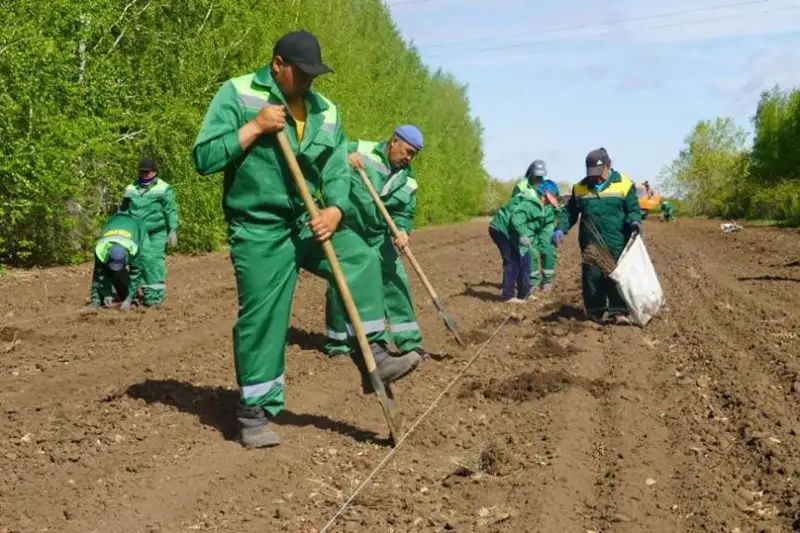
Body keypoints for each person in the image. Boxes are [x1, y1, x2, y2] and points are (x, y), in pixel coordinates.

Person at [191, 30, 421, 448]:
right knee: (264, 316)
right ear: (277, 64)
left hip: (307, 219)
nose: (310, 82)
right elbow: (204, 157)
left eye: (315, 74)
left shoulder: (325, 110)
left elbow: (336, 166)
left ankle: (374, 355)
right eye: (303, 74)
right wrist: (254, 128)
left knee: (362, 258)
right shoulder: (240, 94)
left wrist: (335, 209)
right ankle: (253, 412)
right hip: (258, 226)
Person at [324, 125, 430, 360]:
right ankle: (338, 342)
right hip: (348, 228)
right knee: (343, 279)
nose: (409, 158)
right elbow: (330, 153)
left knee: (396, 279)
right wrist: (345, 156)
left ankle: (409, 343)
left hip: (377, 234)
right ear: (394, 141)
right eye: (407, 151)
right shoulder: (362, 149)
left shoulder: (408, 181)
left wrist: (402, 231)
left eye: (414, 155)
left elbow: (404, 213)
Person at [553, 148, 642, 324]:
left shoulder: (623, 183)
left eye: (598, 172)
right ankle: (595, 311)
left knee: (616, 276)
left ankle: (618, 312)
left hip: (617, 239)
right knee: (592, 277)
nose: (594, 177)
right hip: (590, 241)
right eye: (591, 173)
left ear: (608, 166)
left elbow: (633, 208)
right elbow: (570, 212)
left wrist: (634, 221)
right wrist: (560, 228)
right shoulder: (580, 188)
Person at [121, 158, 179, 307]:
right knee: (140, 262)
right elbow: (124, 210)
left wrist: (172, 229)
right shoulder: (131, 189)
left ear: (154, 172)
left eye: (147, 172)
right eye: (141, 172)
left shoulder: (163, 188)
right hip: (138, 233)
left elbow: (170, 210)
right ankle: (143, 293)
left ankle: (154, 298)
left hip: (157, 232)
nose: (144, 175)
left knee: (154, 262)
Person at [512, 160, 560, 294]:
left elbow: (556, 203)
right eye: (536, 175)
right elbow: (514, 206)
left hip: (547, 223)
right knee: (530, 251)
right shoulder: (521, 187)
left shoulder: (549, 185)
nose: (539, 178)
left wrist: (559, 225)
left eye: (541, 175)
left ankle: (547, 281)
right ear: (531, 173)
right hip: (528, 224)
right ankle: (532, 282)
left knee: (548, 250)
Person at [89, 206, 148, 311]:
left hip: (135, 225)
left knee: (143, 265)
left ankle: (142, 293)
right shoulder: (101, 249)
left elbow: (135, 273)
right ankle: (96, 300)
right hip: (114, 222)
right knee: (99, 271)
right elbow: (100, 274)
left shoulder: (133, 249)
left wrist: (129, 298)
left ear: (126, 256)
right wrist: (107, 293)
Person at [488, 194, 545, 303]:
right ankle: (507, 295)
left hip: (511, 232)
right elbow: (516, 219)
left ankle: (524, 293)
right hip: (500, 229)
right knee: (512, 260)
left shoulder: (539, 208)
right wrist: (523, 234)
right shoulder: (532, 204)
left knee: (525, 259)